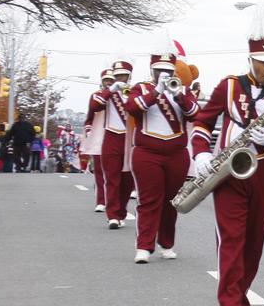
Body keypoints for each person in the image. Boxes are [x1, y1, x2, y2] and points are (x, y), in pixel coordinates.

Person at [190, 3, 264, 306]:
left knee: (254, 239)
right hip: (228, 171)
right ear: (251, 59)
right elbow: (202, 124)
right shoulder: (228, 86)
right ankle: (230, 303)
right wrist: (201, 154)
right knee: (231, 237)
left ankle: (242, 293)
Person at [125, 45, 200, 263]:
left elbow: (196, 113)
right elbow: (132, 107)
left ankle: (167, 243)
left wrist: (179, 96)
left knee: (171, 201)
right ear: (152, 69)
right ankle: (144, 246)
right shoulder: (142, 88)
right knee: (148, 200)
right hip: (147, 153)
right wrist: (157, 91)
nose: (164, 74)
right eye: (159, 69)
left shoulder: (183, 90)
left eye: (168, 70)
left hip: (177, 153)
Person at [94, 61, 137, 228]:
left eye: (123, 75)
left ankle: (121, 211)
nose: (120, 78)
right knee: (112, 178)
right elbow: (94, 106)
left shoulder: (135, 91)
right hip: (112, 137)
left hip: (129, 140)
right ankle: (112, 215)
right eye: (117, 75)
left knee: (127, 180)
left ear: (129, 76)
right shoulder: (105, 94)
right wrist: (111, 90)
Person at [81, 69, 114, 211]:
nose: (109, 82)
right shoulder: (96, 96)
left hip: (117, 137)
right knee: (100, 172)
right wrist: (89, 131)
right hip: (99, 137)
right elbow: (90, 115)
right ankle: (101, 200)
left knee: (114, 173)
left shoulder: (121, 95)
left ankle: (114, 201)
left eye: (111, 80)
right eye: (106, 80)